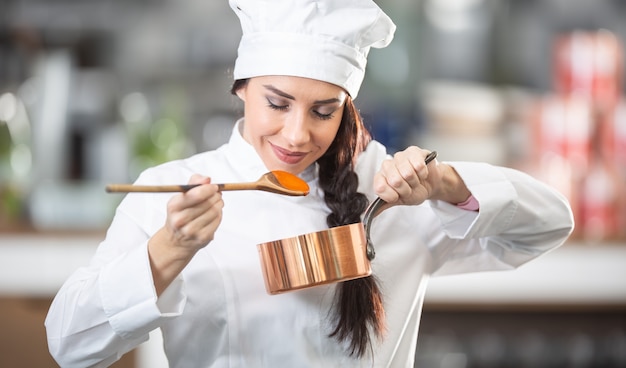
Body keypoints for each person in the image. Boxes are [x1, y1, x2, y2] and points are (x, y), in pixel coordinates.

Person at [45, 0, 574, 367]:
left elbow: (550, 224)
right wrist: (169, 250)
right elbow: (70, 346)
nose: (297, 135)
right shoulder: (172, 191)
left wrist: (444, 183)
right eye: (277, 104)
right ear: (241, 89)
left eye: (324, 111)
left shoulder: (390, 191)